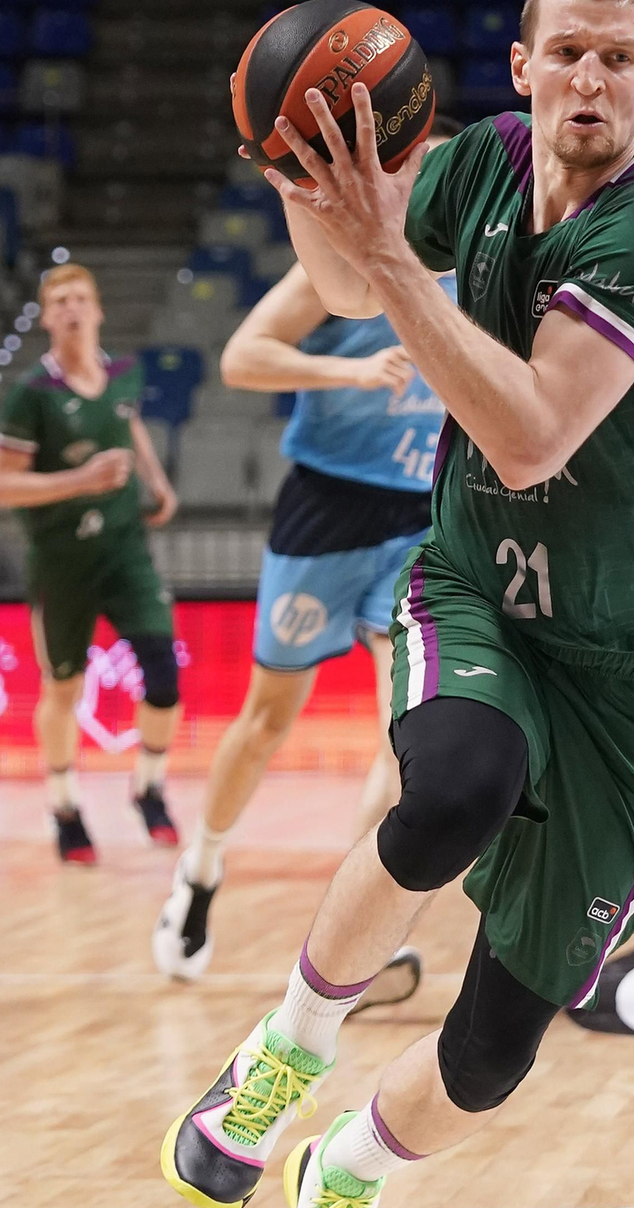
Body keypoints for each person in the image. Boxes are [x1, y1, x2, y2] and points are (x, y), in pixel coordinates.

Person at [161, 0, 634, 1208]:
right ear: (524, 64)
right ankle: (286, 1053)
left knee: (493, 1046)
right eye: (567, 51)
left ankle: (343, 1176)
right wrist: (316, 190)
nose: (589, 75)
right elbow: (354, 289)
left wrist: (385, 255)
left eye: (618, 56)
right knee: (455, 786)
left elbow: (533, 431)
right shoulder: (478, 162)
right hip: (476, 580)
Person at [151, 240, 457, 999]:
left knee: (407, 725)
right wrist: (348, 370)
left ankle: (357, 941)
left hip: (420, 518)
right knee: (265, 722)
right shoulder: (344, 265)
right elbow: (241, 357)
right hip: (326, 508)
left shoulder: (483, 267)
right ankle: (201, 870)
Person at [0, 262, 181, 865]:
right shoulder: (31, 395)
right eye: (60, 301)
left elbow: (130, 425)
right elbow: (1, 486)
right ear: (46, 318)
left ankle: (148, 788)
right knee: (63, 686)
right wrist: (82, 478)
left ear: (97, 310)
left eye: (80, 298)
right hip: (61, 561)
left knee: (164, 677)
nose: (71, 308)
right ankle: (65, 804)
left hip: (124, 550)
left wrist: (155, 481)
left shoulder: (124, 373)